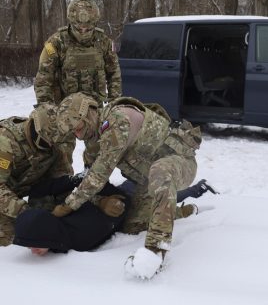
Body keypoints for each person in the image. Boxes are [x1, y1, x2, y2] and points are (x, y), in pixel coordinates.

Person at [54, 92, 202, 279]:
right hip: (147, 180)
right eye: (72, 132)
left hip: (179, 164)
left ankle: (155, 252)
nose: (77, 134)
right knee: (131, 224)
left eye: (78, 127)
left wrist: (68, 205)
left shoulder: (119, 119)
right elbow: (89, 178)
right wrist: (102, 201)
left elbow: (100, 173)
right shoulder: (93, 141)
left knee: (159, 171)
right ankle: (183, 212)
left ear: (89, 114)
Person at [13, 179, 217, 255]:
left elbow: (117, 208)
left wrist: (103, 201)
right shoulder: (58, 232)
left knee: (165, 201)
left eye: (35, 244)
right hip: (115, 201)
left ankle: (196, 195)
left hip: (125, 200)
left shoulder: (81, 235)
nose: (32, 250)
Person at [34, 0, 122, 168]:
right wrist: (46, 107)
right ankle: (62, 187)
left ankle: (94, 186)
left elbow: (114, 74)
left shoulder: (103, 41)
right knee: (61, 154)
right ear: (71, 23)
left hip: (94, 109)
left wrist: (114, 102)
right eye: (78, 28)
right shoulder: (56, 42)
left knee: (98, 151)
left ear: (94, 23)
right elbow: (43, 78)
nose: (83, 31)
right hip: (63, 108)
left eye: (88, 28)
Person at [0, 104, 74, 246]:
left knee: (51, 224)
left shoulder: (56, 140)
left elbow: (62, 178)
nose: (53, 145)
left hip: (28, 186)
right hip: (4, 193)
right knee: (11, 236)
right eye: (48, 141)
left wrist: (69, 204)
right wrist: (26, 212)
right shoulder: (5, 141)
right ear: (36, 130)